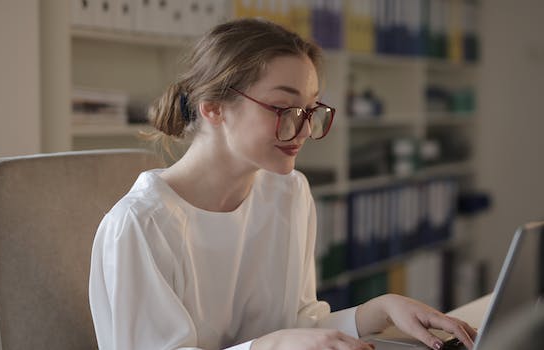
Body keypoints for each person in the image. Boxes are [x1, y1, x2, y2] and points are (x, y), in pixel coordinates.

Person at [88, 18, 477, 350]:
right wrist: (268, 345)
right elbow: (278, 342)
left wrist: (377, 311)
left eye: (310, 110)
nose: (304, 129)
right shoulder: (141, 225)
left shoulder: (289, 192)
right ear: (213, 108)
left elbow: (299, 329)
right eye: (284, 109)